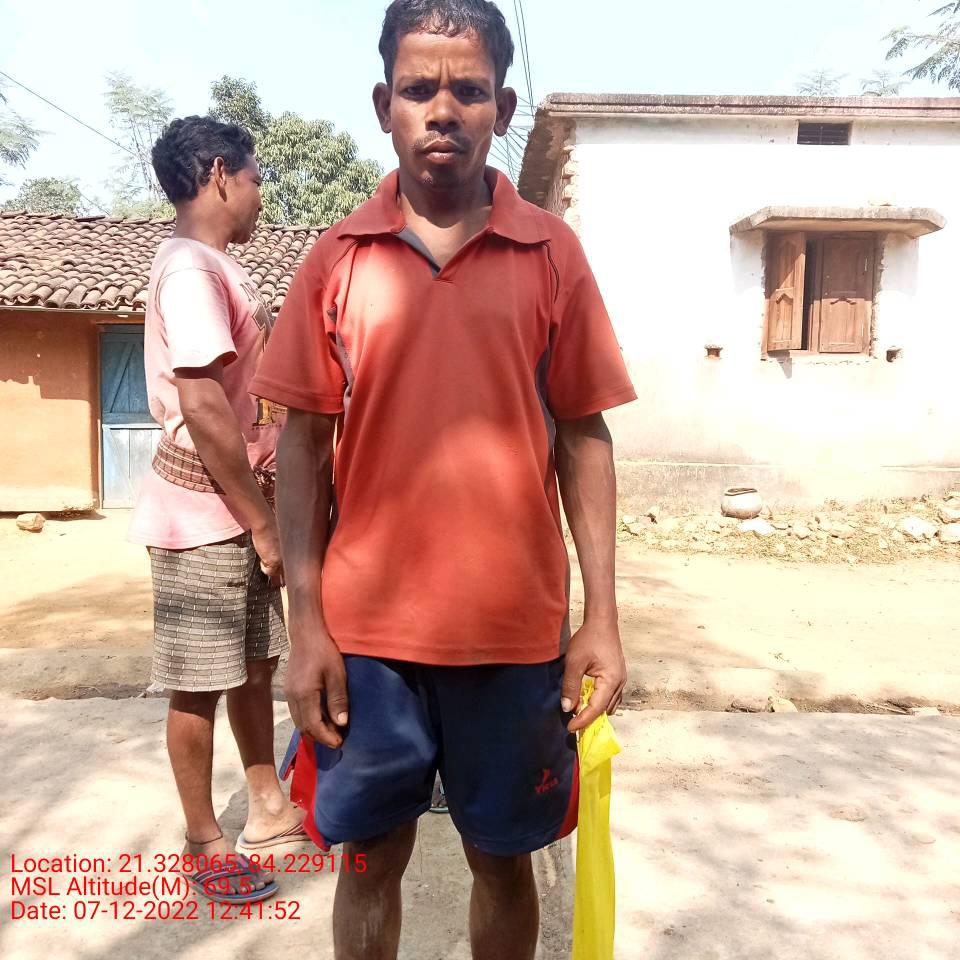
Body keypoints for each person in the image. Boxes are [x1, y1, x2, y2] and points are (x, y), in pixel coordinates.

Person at [251, 0, 637, 955]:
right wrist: (307, 625)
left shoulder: (551, 252)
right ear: (383, 104)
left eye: (468, 89)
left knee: (503, 861)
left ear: (501, 107)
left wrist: (602, 617)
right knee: (368, 859)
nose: (442, 108)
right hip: (366, 640)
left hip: (514, 634)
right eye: (418, 87)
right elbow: (301, 448)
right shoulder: (337, 259)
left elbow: (584, 434)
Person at [129, 116, 308, 903]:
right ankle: (204, 842)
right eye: (256, 178)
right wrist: (264, 526)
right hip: (202, 516)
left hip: (231, 509)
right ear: (217, 174)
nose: (261, 194)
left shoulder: (211, 266)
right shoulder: (191, 272)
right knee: (199, 680)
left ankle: (266, 806)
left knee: (254, 663)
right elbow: (203, 405)